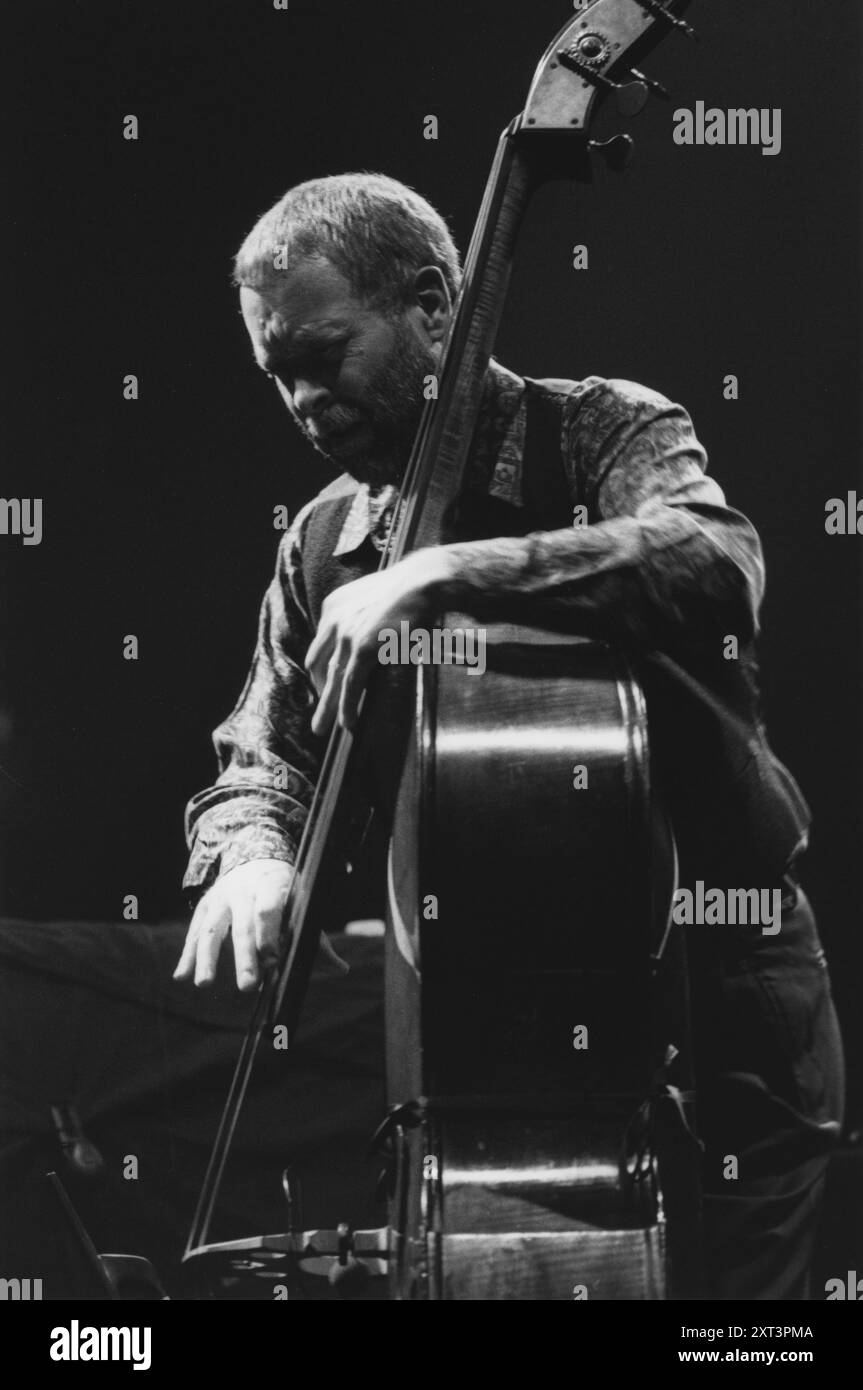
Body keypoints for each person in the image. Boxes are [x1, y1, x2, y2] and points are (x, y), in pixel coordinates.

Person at [174, 173, 844, 1299]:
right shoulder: (325, 541)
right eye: (275, 373)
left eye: (322, 352)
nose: (302, 398)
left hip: (713, 981)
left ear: (433, 306)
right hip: (488, 1024)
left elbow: (714, 562)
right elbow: (264, 749)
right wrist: (253, 854)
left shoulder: (595, 431)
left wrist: (448, 575)